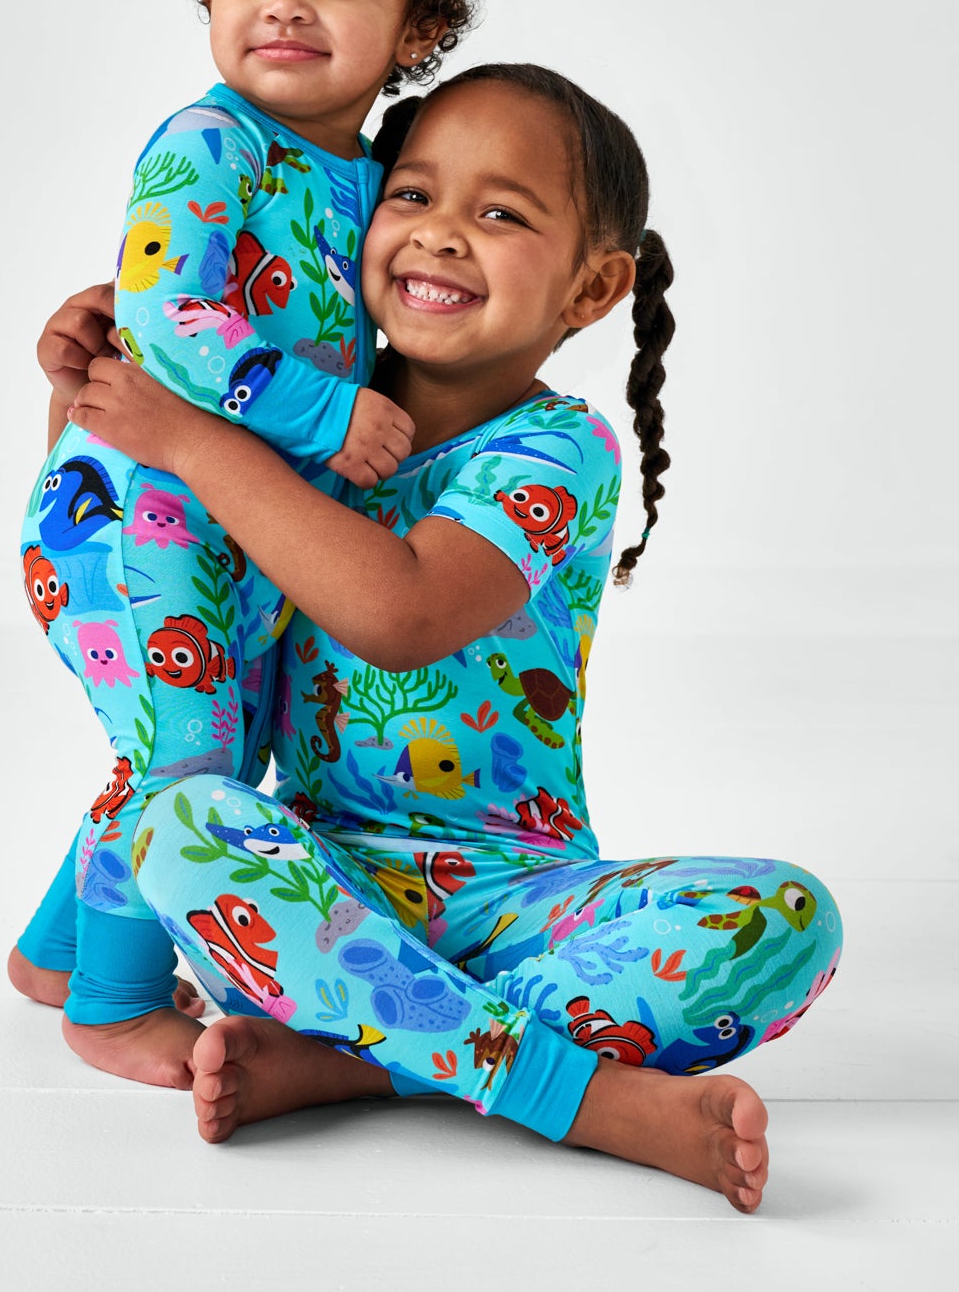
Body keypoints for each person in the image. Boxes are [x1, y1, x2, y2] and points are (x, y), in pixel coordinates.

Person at [64, 63, 842, 1213]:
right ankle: (573, 1095)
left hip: (521, 892)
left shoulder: (556, 453)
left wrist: (189, 437)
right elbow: (129, 549)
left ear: (592, 287)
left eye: (498, 214)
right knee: (183, 820)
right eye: (412, 195)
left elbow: (398, 612)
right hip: (316, 888)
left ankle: (360, 1056)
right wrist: (101, 383)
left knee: (784, 917)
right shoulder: (285, 415)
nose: (438, 238)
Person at [9, 0, 483, 1085]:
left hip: (226, 525)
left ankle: (56, 947)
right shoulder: (206, 147)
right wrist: (328, 411)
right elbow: (168, 325)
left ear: (417, 24)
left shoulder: (373, 174)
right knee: (187, 759)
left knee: (213, 745)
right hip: (127, 515)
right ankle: (105, 1006)